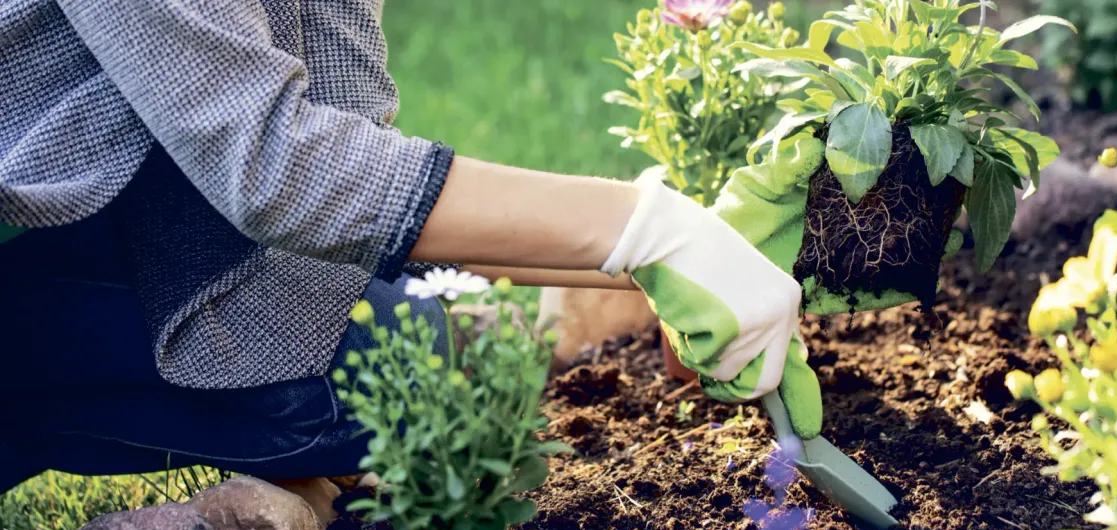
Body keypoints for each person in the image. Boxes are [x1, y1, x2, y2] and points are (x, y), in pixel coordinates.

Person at [0, 0, 811, 493]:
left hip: (154, 202)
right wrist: (641, 225)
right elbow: (274, 165)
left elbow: (349, 149)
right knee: (399, 375)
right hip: (38, 231)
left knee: (420, 360)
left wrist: (660, 258)